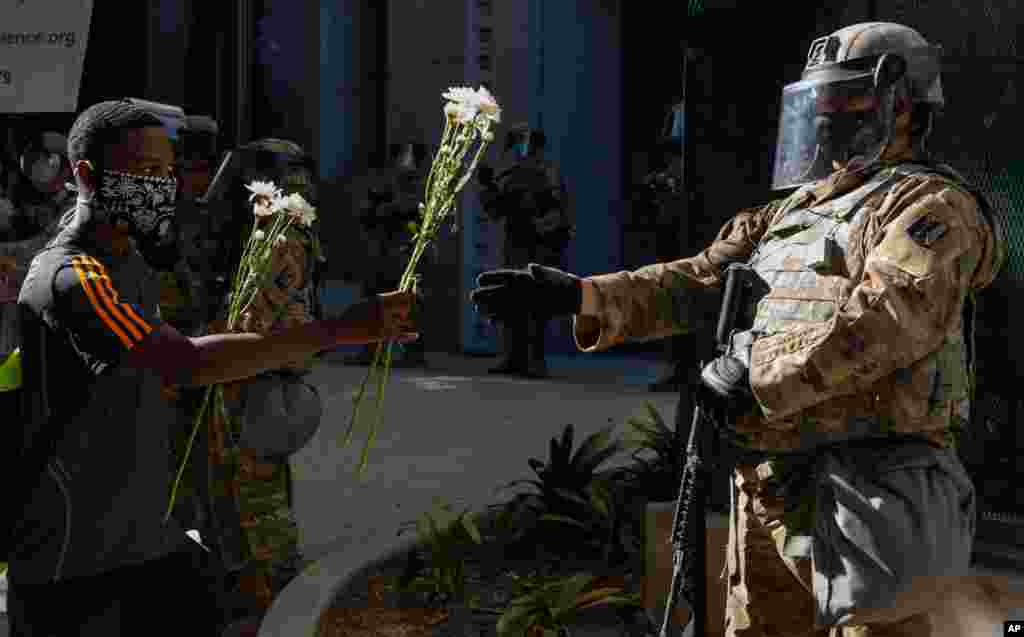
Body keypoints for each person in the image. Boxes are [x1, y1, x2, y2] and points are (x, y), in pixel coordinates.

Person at [471, 23, 1006, 636]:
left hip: (870, 490)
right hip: (768, 485)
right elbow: (698, 281)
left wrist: (752, 377)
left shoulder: (930, 207)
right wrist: (582, 294)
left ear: (902, 104)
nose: (825, 115)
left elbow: (887, 322)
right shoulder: (791, 210)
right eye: (818, 100)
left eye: (843, 98)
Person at [7, 100, 418, 637]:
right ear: (86, 176)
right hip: (75, 564)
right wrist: (341, 329)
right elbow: (182, 362)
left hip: (145, 545)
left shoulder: (127, 261)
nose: (164, 185)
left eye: (167, 171)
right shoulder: (72, 278)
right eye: (146, 172)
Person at [477, 124, 572, 378]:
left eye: (527, 145)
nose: (523, 152)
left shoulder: (548, 173)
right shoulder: (510, 174)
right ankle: (513, 356)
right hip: (516, 242)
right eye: (518, 144)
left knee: (537, 302)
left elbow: (559, 212)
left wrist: (543, 226)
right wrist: (488, 187)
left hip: (539, 244)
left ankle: (535, 359)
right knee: (511, 298)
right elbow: (496, 210)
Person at [350, 141, 431, 367]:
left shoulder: (422, 186)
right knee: (375, 300)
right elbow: (366, 214)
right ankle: (371, 350)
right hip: (382, 251)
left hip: (407, 252)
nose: (405, 166)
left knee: (410, 302)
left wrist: (396, 209)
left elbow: (419, 213)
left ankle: (413, 352)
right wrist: (380, 210)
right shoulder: (382, 184)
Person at [0, 130, 75, 355]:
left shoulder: (77, 205)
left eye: (39, 165)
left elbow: (45, 250)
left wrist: (10, 261)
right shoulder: (60, 202)